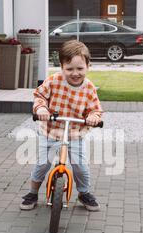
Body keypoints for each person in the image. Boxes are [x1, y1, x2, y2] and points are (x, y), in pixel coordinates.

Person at [20, 40, 103, 211]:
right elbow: (39, 96)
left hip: (74, 134)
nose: (75, 73)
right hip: (50, 131)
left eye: (80, 68)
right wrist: (41, 108)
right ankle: (33, 193)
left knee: (80, 167)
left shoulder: (88, 88)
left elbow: (94, 109)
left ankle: (84, 193)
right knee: (43, 164)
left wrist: (94, 116)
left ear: (88, 66)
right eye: (69, 68)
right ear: (61, 66)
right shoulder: (53, 81)